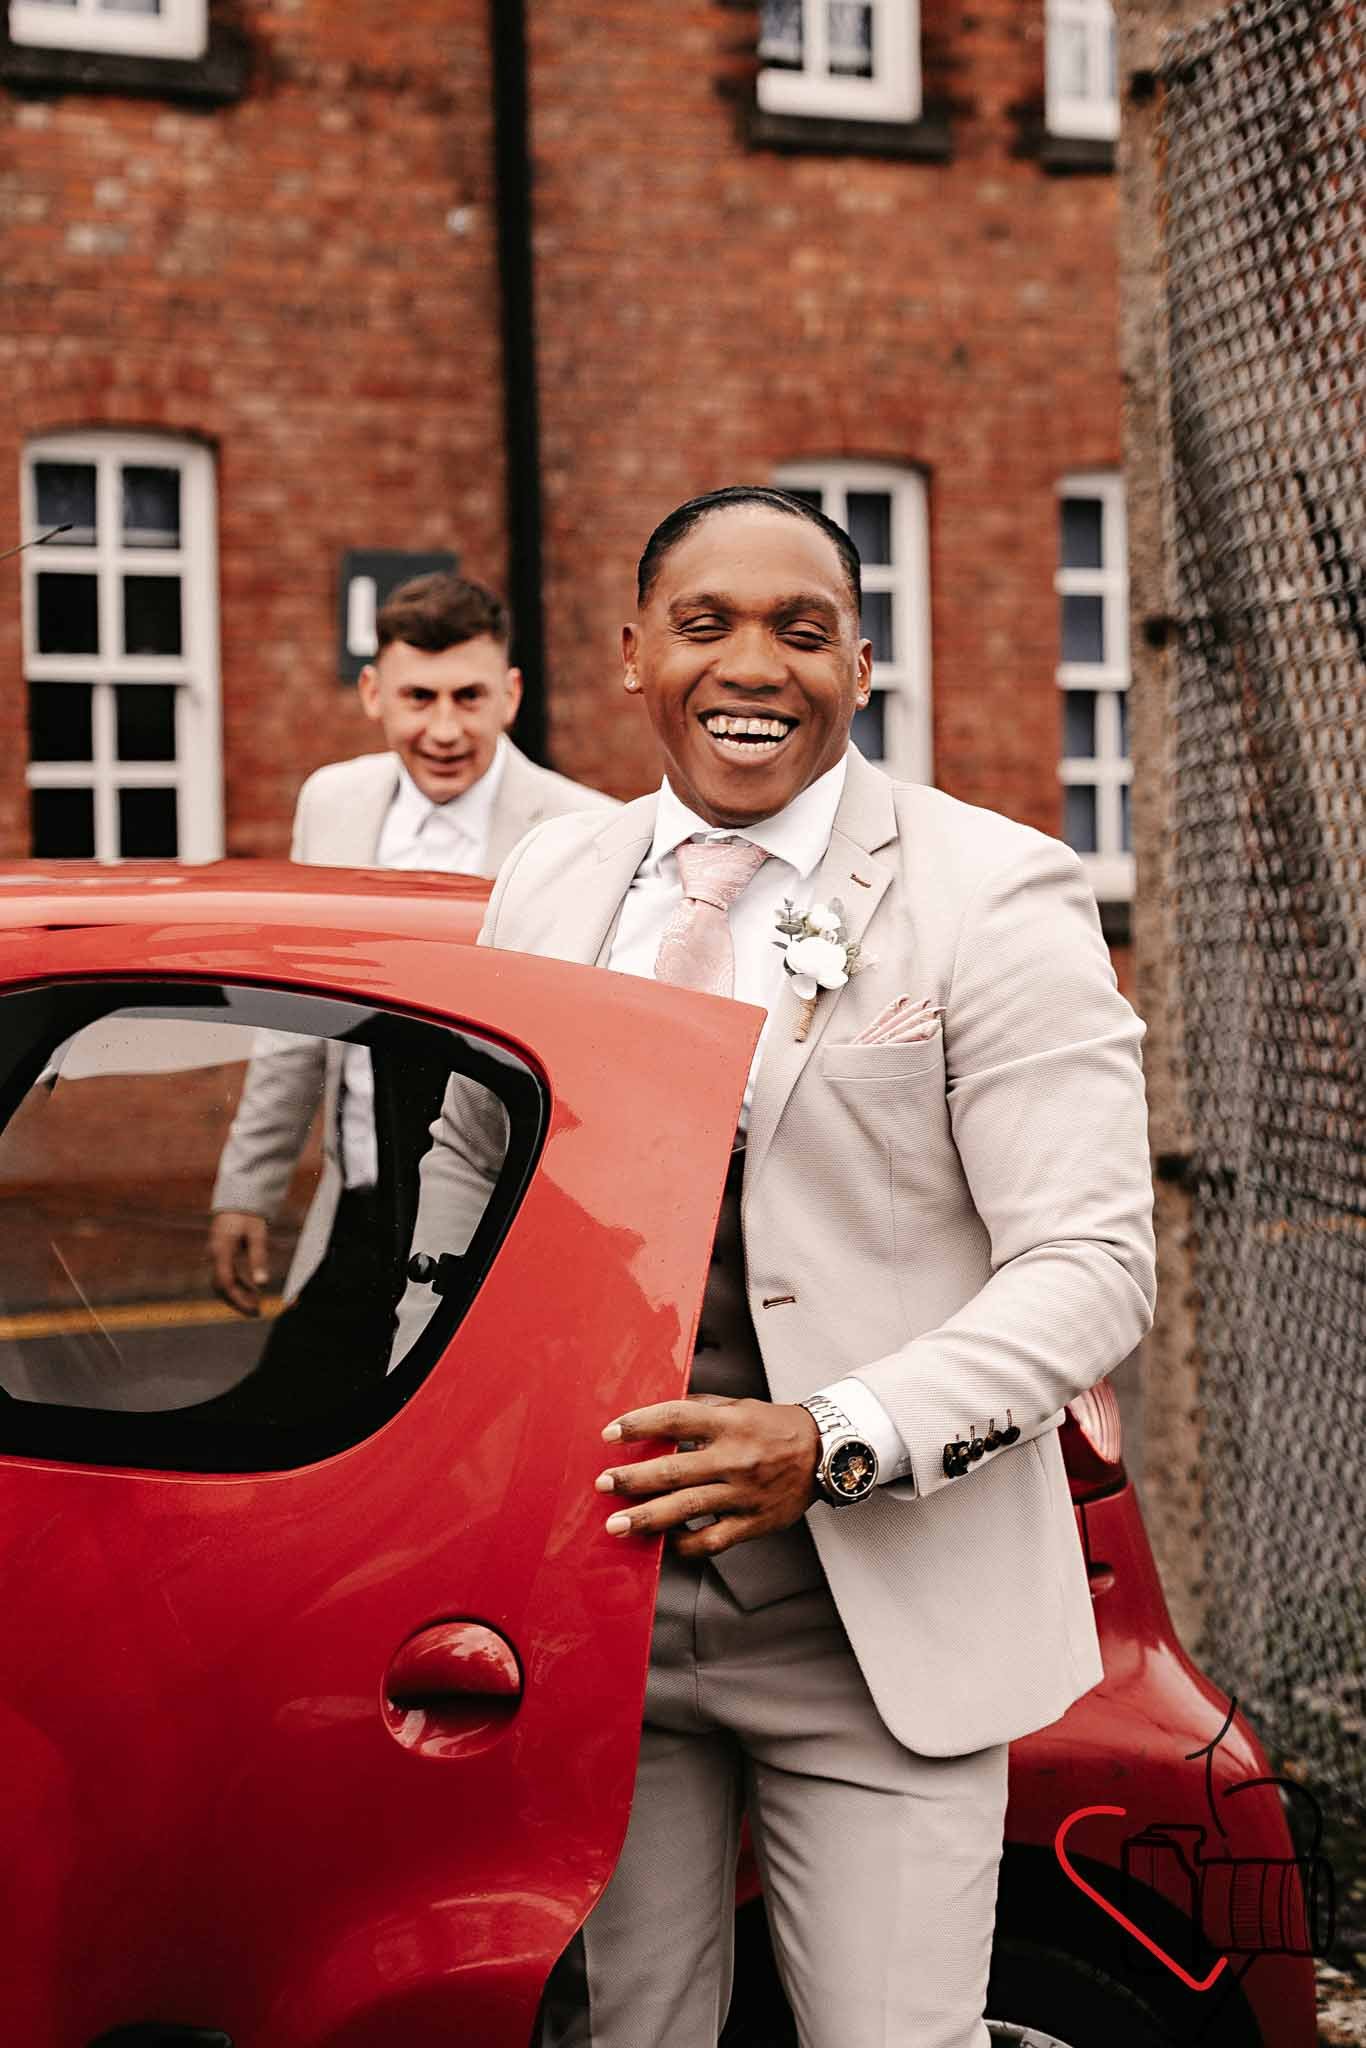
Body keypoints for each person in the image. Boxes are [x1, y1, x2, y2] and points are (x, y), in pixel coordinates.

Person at [464, 487, 1156, 2048]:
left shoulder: (993, 890)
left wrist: (831, 1436)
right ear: (635, 654)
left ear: (860, 660)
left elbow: (1092, 1264)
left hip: (874, 1624)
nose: (751, 666)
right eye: (705, 625)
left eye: (798, 629)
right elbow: (463, 1190)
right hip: (593, 1610)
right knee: (624, 2034)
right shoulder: (547, 887)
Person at [207, 571, 615, 1384]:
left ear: (510, 693)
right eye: (418, 697)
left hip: (498, 1218)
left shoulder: (587, 830)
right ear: (372, 693)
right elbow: (296, 1009)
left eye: (468, 697)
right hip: (358, 1202)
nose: (443, 728)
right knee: (288, 1422)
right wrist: (247, 1186)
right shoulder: (332, 801)